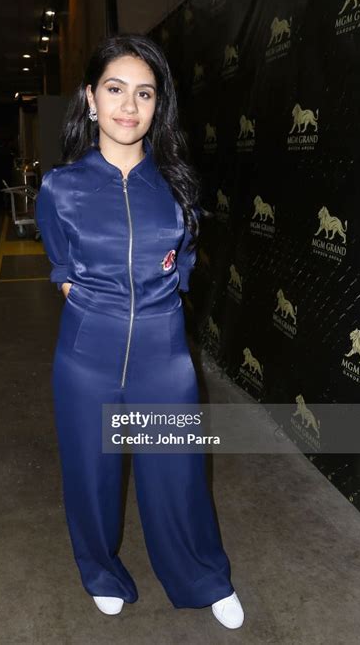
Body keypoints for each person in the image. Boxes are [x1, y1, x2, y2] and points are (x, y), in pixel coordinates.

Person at [35, 33, 244, 629]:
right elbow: (60, 264)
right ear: (91, 99)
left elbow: (186, 264)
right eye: (115, 89)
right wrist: (87, 300)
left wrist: (154, 303)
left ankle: (203, 577)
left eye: (144, 93)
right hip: (85, 359)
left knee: (177, 476)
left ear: (159, 106)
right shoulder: (60, 187)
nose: (129, 106)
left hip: (162, 356)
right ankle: (100, 570)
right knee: (90, 475)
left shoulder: (176, 188)